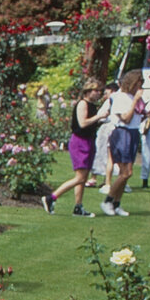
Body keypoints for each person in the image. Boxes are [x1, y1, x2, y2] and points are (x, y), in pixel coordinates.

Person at [42, 80, 108, 217]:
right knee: (79, 177)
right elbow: (82, 123)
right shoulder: (83, 104)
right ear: (88, 91)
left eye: (100, 91)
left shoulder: (92, 105)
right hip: (80, 142)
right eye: (96, 91)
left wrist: (100, 120)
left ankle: (78, 207)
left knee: (82, 178)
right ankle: (51, 198)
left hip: (89, 141)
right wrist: (98, 117)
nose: (98, 94)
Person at [99, 69, 143, 217]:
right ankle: (107, 200)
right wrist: (136, 101)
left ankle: (117, 204)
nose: (141, 85)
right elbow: (125, 118)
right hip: (122, 133)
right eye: (139, 82)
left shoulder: (131, 97)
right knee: (126, 172)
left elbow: (136, 118)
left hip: (133, 133)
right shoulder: (119, 97)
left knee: (128, 173)